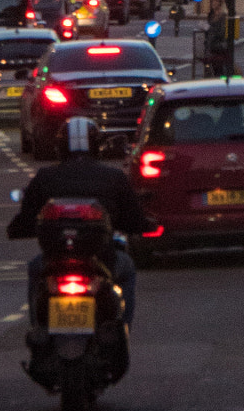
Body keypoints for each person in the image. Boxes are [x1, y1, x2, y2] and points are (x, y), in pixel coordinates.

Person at [7, 118, 143, 327]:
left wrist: (16, 229)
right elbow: (133, 218)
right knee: (126, 269)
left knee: (36, 270)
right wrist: (146, 225)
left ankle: (38, 329)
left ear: (60, 147)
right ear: (96, 146)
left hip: (56, 261)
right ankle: (121, 328)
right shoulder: (114, 177)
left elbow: (26, 218)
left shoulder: (45, 177)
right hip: (102, 260)